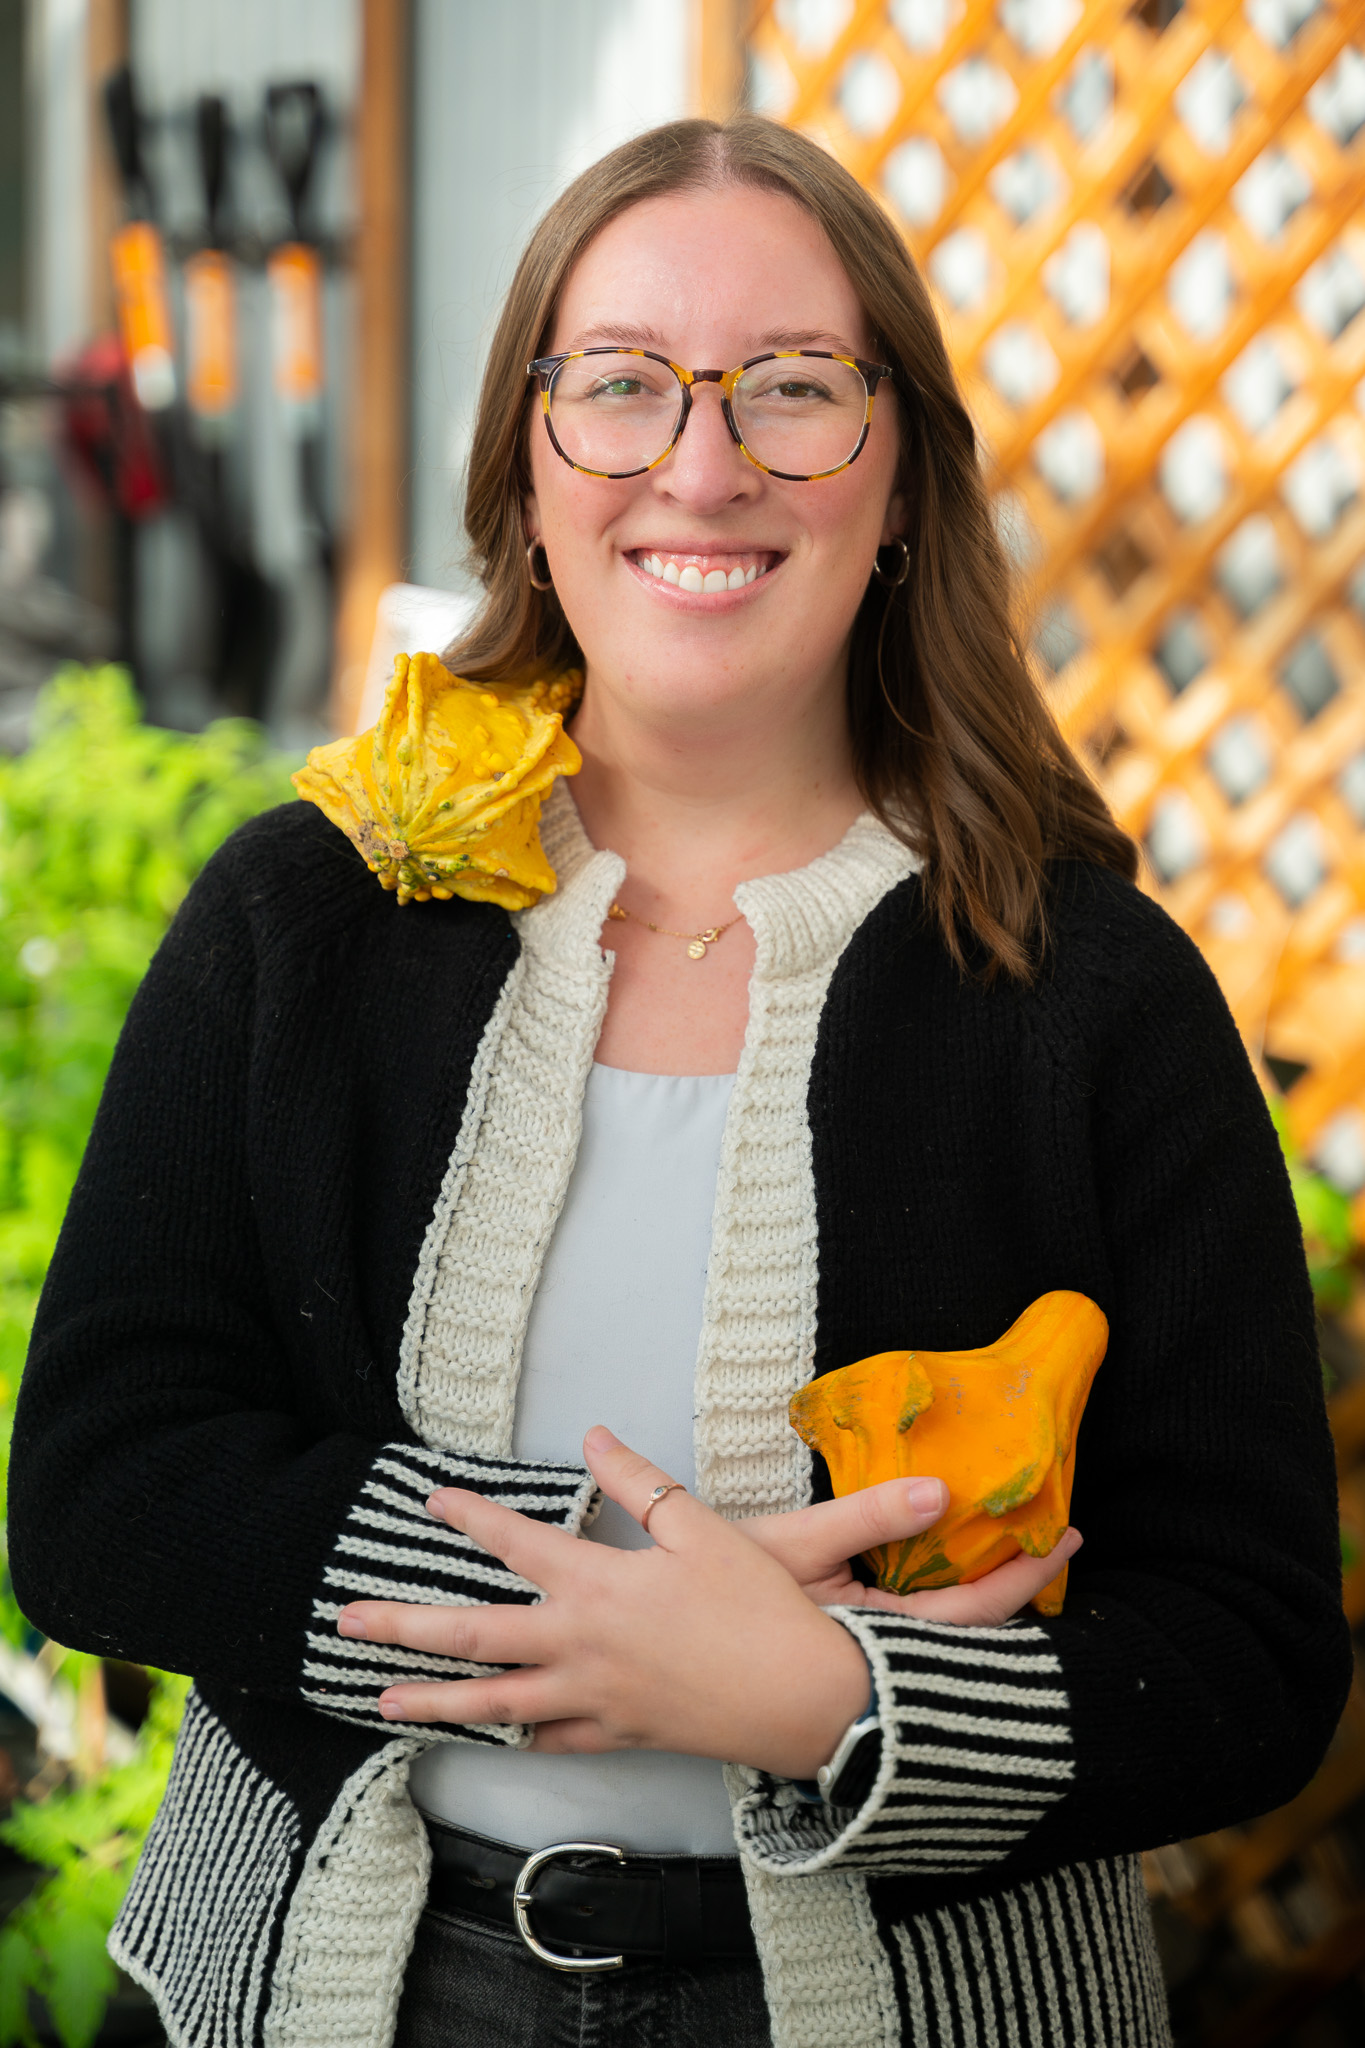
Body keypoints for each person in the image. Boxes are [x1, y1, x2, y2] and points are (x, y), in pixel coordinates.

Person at [8, 115, 1349, 2048]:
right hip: (319, 1995)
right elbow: (95, 1496)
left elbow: (1246, 1655)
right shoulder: (307, 917)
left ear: (898, 484)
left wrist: (821, 1695)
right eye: (620, 387)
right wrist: (591, 1629)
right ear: (527, 468)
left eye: (793, 390)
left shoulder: (1091, 996)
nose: (700, 465)